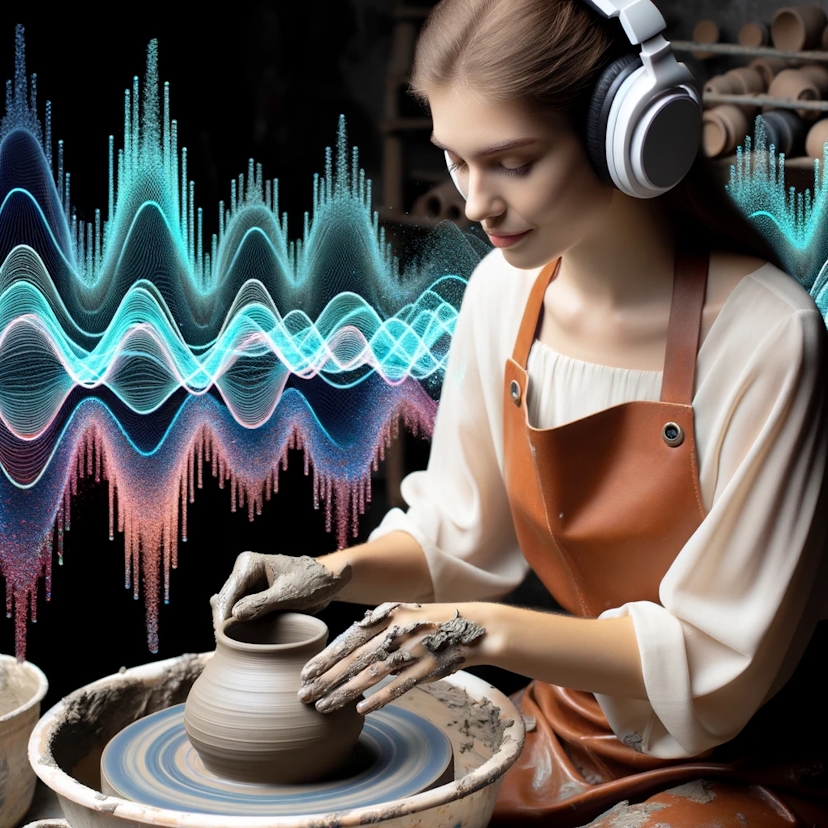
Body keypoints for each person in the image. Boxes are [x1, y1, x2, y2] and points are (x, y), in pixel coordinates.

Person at [212, 1, 828, 825]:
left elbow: (715, 658)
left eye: (511, 162)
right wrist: (332, 575)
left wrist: (479, 633)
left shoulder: (768, 337)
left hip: (744, 760)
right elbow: (457, 542)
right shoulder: (503, 296)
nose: (475, 204)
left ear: (631, 138)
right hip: (569, 727)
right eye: (456, 163)